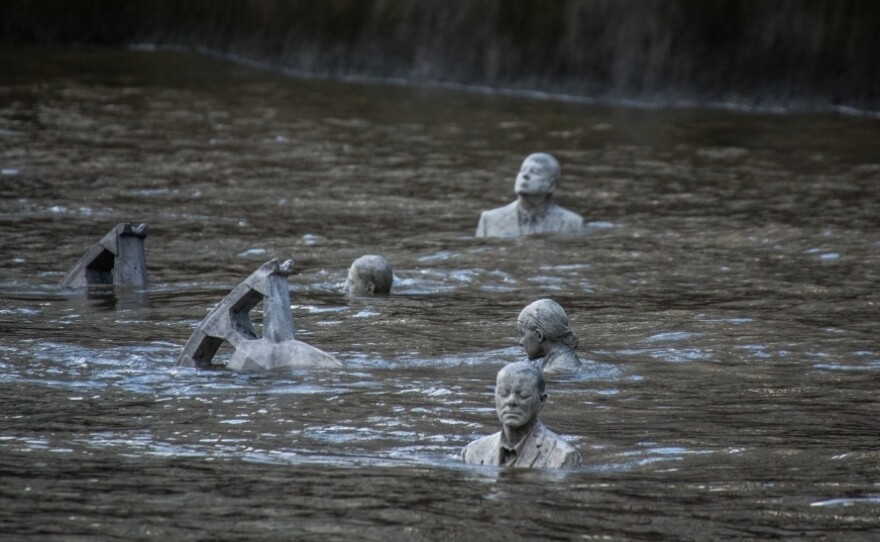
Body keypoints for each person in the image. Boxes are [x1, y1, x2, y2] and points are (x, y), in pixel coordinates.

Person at [462, 362, 582, 469]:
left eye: (523, 395)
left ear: (541, 401)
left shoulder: (563, 456)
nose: (511, 401)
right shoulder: (473, 452)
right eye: (503, 393)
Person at [475, 153, 584, 238]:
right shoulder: (489, 219)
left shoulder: (573, 223)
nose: (525, 175)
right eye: (522, 170)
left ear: (550, 186)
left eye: (535, 172)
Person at [517, 299, 582, 375]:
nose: (520, 342)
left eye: (523, 334)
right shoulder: (561, 358)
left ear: (539, 335)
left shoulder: (555, 371)